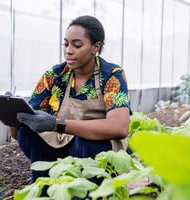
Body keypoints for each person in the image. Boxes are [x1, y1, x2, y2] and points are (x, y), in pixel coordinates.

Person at [9, 15, 131, 183]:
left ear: (96, 47)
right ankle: (43, 185)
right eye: (66, 44)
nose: (68, 50)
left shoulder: (111, 75)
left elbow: (119, 127)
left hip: (93, 150)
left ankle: (92, 190)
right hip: (60, 145)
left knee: (85, 142)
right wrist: (11, 113)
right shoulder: (56, 75)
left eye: (77, 45)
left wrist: (57, 124)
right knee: (27, 132)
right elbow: (20, 131)